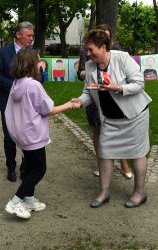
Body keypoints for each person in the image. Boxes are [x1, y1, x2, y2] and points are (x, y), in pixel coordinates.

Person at [72, 29, 152, 208]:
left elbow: (139, 84)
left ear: (102, 47)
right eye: (87, 49)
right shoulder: (91, 66)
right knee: (104, 152)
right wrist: (79, 101)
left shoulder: (122, 58)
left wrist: (118, 88)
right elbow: (88, 92)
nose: (88, 53)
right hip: (109, 119)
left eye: (91, 49)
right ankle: (104, 192)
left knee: (137, 154)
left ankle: (140, 193)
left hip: (134, 116)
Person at [4, 48, 75, 219]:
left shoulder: (16, 83)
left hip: (21, 134)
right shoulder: (34, 85)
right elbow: (48, 109)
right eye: (38, 61)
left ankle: (29, 200)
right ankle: (15, 202)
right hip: (32, 135)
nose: (40, 64)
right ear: (32, 65)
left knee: (29, 167)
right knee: (40, 169)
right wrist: (69, 104)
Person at [77, 23, 132, 179]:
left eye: (106, 36)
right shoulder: (88, 55)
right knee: (98, 131)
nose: (104, 39)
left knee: (119, 132)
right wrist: (89, 75)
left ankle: (124, 163)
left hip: (115, 99)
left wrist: (117, 86)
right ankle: (101, 163)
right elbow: (81, 74)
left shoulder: (120, 52)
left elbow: (133, 80)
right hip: (94, 99)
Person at [0, 21, 34, 182]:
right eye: (29, 35)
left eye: (32, 35)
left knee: (25, 136)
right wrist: (15, 87)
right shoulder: (3, 52)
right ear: (18, 34)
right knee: (9, 137)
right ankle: (10, 166)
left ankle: (25, 167)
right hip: (7, 101)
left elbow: (37, 75)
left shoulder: (33, 52)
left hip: (27, 102)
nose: (31, 38)